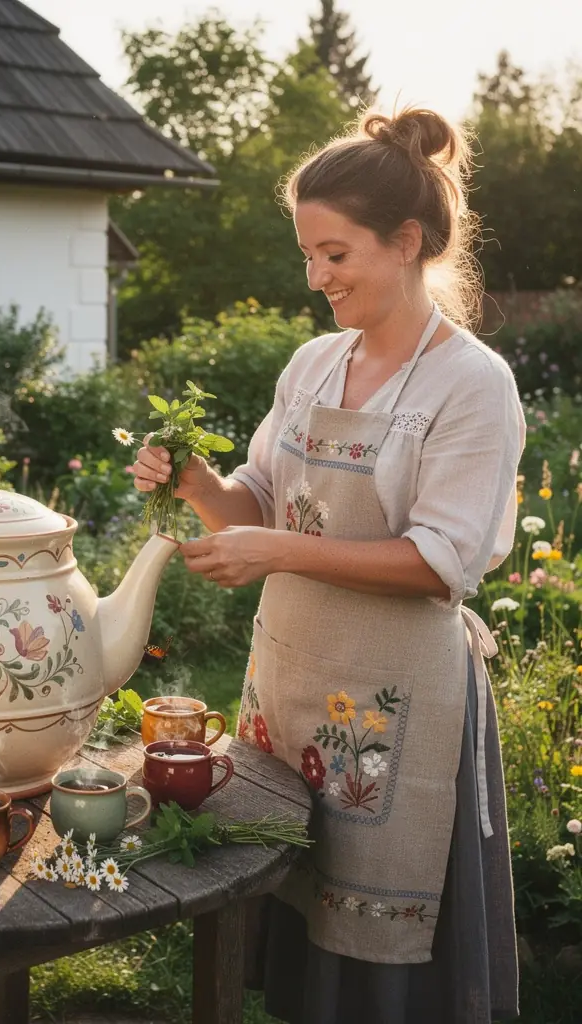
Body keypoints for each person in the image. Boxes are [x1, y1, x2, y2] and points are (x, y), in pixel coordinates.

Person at [132, 107, 524, 1024]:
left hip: (400, 704)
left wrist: (276, 551)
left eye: (336, 255)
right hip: (292, 680)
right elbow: (256, 500)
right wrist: (194, 482)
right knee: (296, 893)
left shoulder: (471, 384)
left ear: (407, 242)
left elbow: (440, 563)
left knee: (386, 932)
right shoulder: (311, 365)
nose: (317, 279)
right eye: (308, 254)